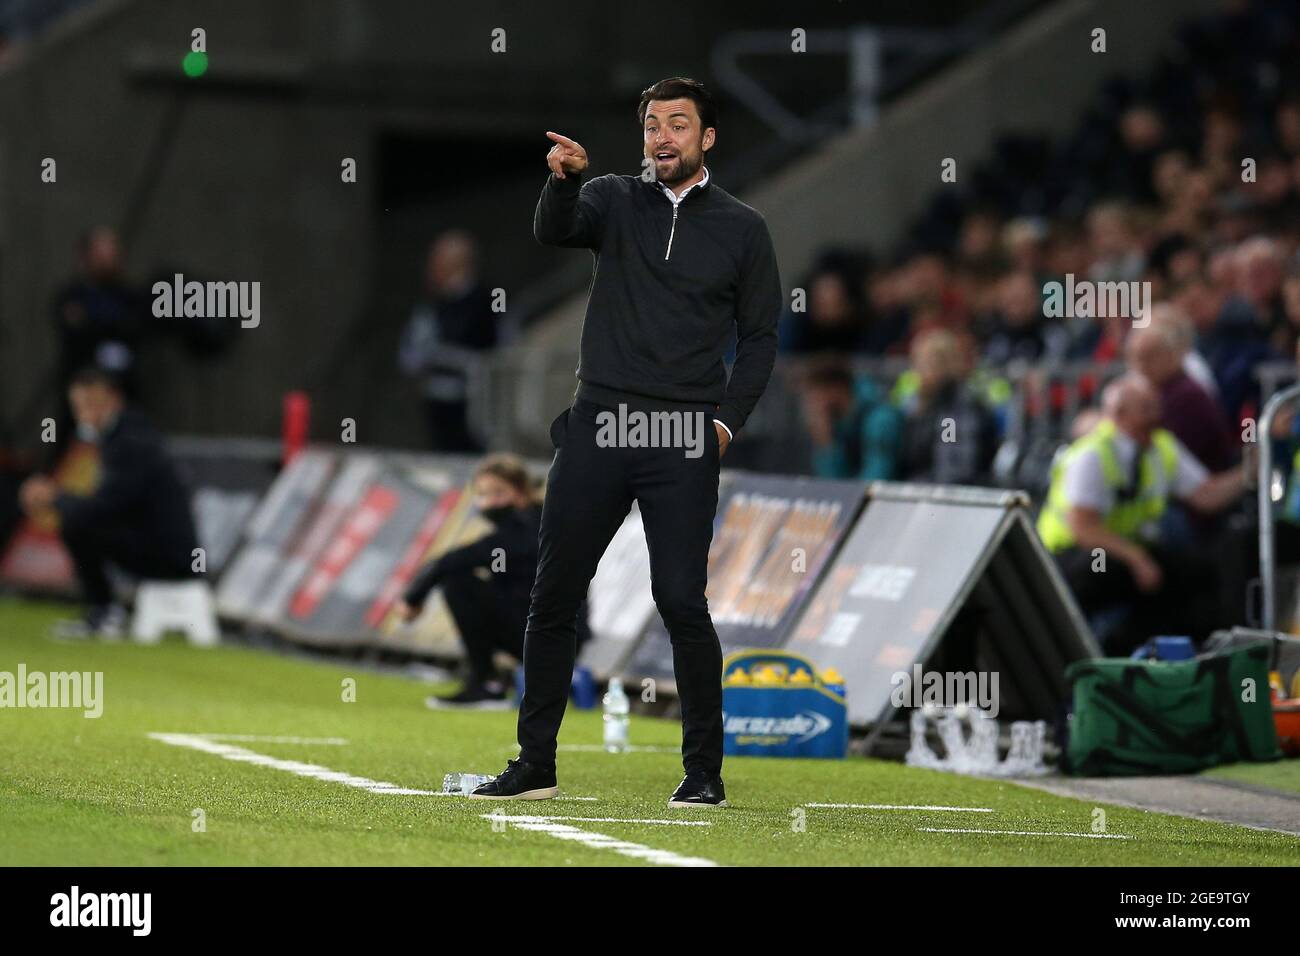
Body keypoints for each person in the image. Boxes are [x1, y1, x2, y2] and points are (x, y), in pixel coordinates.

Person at [470, 77, 781, 806]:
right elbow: (555, 230)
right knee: (552, 595)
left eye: (678, 124)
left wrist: (727, 420)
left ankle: (704, 773)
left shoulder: (744, 228)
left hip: (682, 432)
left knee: (680, 600)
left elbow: (761, 337)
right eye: (651, 125)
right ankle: (534, 764)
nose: (662, 137)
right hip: (601, 420)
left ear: (708, 138)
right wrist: (564, 182)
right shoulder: (611, 197)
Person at [1036, 374, 1250, 652]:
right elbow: (1083, 528)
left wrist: (1247, 473)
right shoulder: (1092, 454)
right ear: (1120, 414)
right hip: (1073, 553)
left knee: (1198, 574)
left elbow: (1205, 496)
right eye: (1146, 409)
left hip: (1128, 550)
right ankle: (1076, 655)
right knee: (1101, 571)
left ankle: (1145, 654)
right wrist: (1136, 559)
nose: (1157, 416)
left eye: (1156, 406)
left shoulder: (1162, 446)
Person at [17, 367, 200, 639]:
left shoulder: (132, 441)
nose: (84, 415)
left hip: (172, 557)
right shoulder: (124, 435)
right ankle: (103, 611)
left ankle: (104, 613)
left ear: (113, 400)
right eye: (78, 407)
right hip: (161, 545)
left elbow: (105, 507)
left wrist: (53, 497)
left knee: (77, 524)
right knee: (78, 519)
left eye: (91, 405)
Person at [396, 454, 591, 708]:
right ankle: (491, 682)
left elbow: (449, 562)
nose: (488, 502)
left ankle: (487, 684)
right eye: (482, 494)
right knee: (475, 582)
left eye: (498, 493)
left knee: (459, 583)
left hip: (551, 640)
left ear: (521, 493)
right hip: (556, 637)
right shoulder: (541, 519)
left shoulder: (527, 529)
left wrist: (412, 599)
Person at [397, 230, 499, 452]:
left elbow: (506, 352)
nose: (430, 268)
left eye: (437, 261)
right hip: (438, 406)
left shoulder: (491, 302)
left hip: (479, 408)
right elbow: (411, 356)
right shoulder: (432, 307)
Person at [799, 358, 901, 480]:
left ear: (834, 389)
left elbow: (876, 478)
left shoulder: (881, 420)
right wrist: (826, 443)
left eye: (813, 396)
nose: (810, 405)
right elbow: (832, 484)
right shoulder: (834, 422)